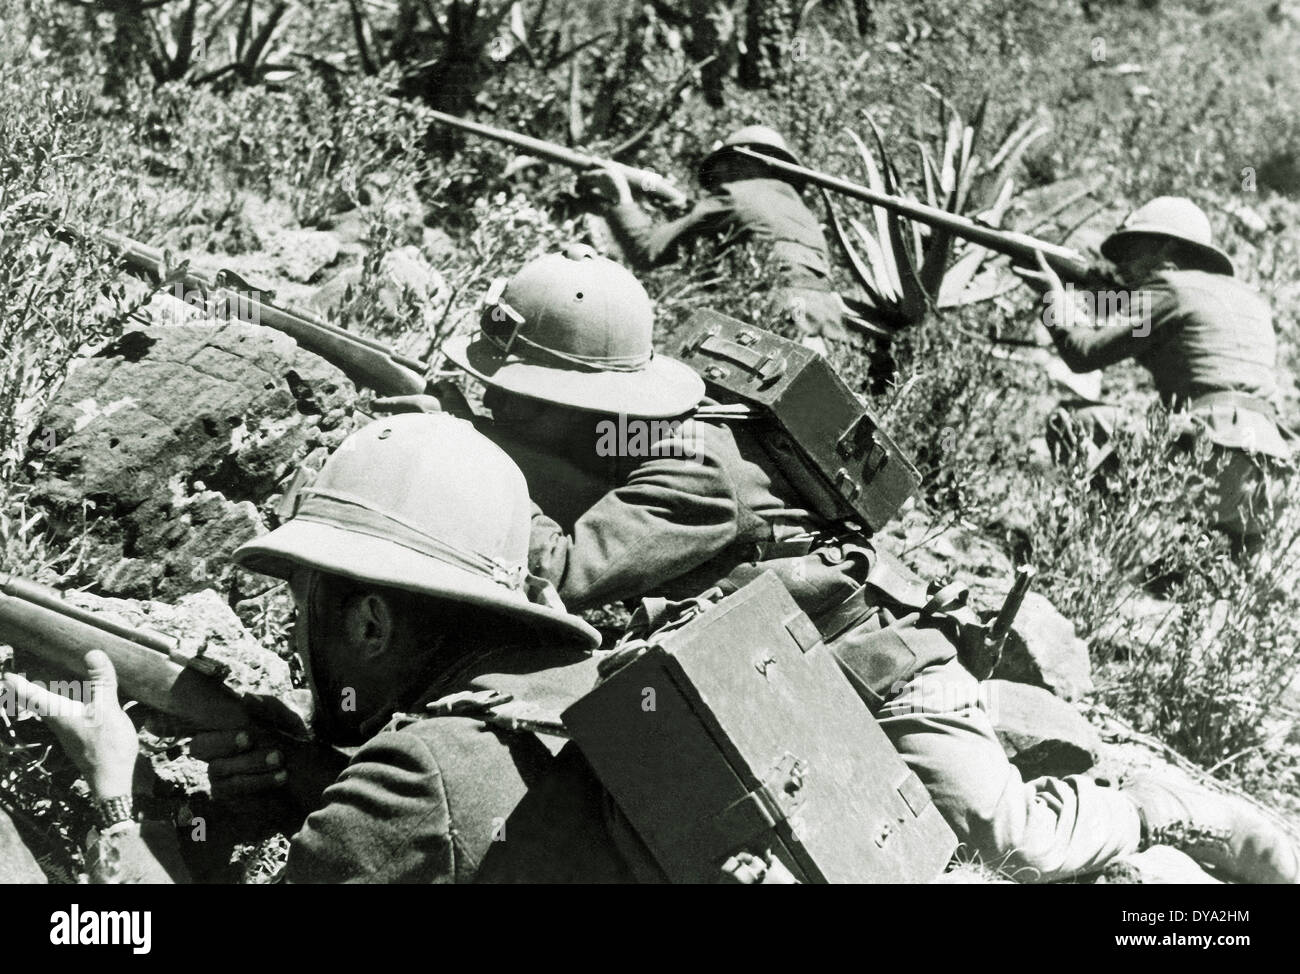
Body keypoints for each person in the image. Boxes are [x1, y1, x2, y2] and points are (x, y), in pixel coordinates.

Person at [414, 244, 1299, 883]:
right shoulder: (640, 434)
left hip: (883, 677)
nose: (503, 409)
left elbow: (561, 574)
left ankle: (1157, 803)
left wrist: (463, 455)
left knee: (1012, 843)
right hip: (779, 696)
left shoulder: (695, 469)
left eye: (516, 400)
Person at [2, 414, 651, 883]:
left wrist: (125, 800)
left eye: (299, 605)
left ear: (370, 624)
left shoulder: (421, 775)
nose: (291, 636)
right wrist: (309, 779)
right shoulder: (583, 690)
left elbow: (432, 815)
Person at [1015, 197, 1293, 553]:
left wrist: (1052, 298)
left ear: (1167, 247)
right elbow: (1182, 348)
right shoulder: (1248, 301)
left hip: (1211, 458)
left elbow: (1082, 354)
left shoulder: (1170, 290)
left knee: (1073, 421)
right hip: (1269, 485)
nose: (1123, 266)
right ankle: (1200, 569)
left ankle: (1088, 550)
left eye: (1132, 252)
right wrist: (1102, 299)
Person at [581, 125, 864, 354]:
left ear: (741, 162)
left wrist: (620, 197)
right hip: (826, 327)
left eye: (723, 165)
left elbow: (646, 251)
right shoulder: (802, 212)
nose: (715, 176)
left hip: (767, 320)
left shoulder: (732, 197)